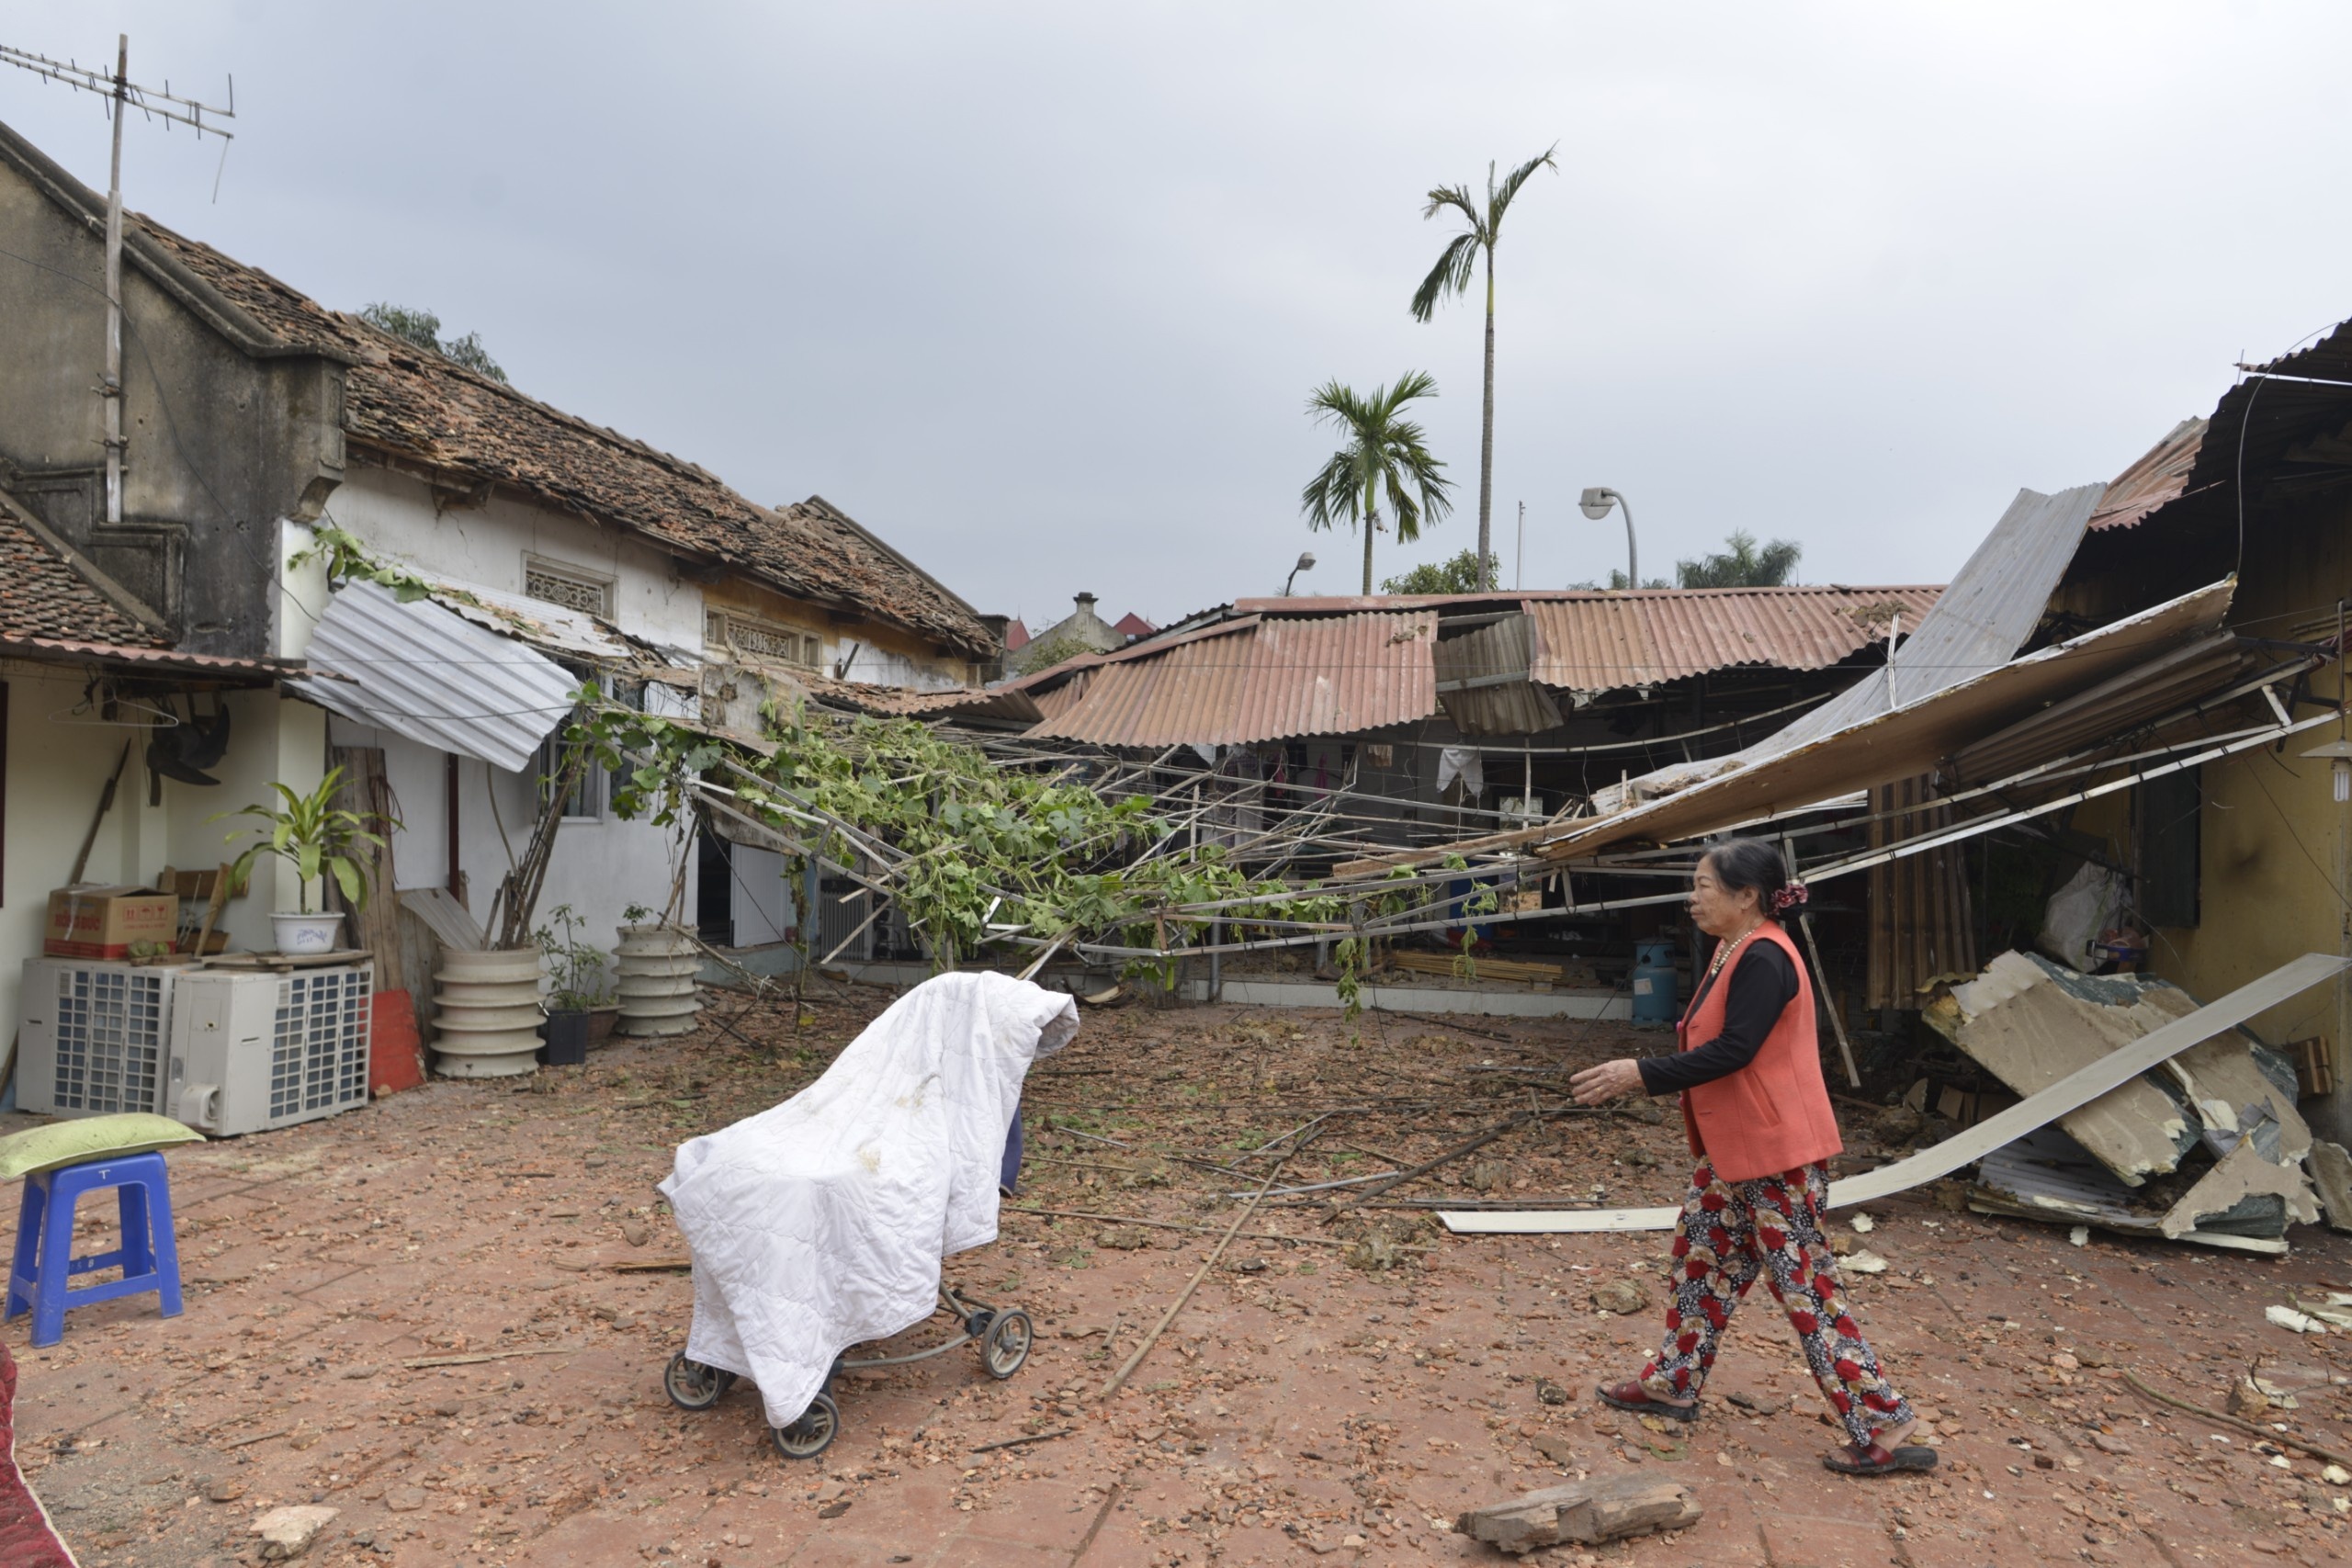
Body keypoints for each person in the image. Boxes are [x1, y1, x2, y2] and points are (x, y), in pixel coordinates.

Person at [1567, 838, 1934, 1477]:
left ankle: (1885, 1422)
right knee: (1699, 1262)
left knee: (1806, 1289)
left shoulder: (1765, 956)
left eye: (1704, 884)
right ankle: (1674, 1381)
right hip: (1732, 1151)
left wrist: (1640, 1073)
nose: (1693, 896)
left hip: (1775, 1156)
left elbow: (1735, 1049)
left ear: (1747, 896)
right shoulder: (1734, 947)